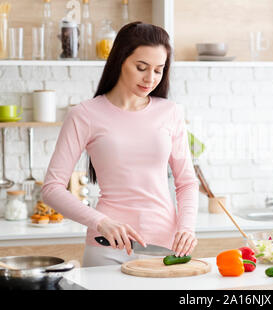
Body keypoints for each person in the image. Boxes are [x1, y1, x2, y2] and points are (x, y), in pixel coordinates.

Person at [41, 22, 199, 267]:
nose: (150, 78)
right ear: (119, 61)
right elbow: (52, 188)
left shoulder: (170, 112)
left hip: (164, 249)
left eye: (159, 70)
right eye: (141, 67)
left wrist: (187, 228)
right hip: (107, 249)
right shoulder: (84, 115)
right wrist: (101, 222)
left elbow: (187, 181)